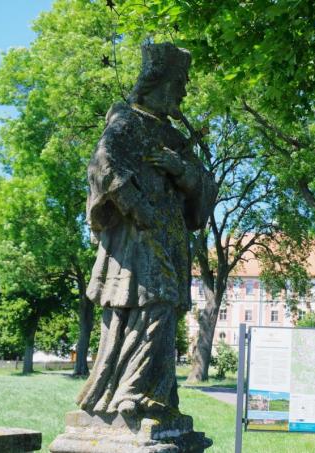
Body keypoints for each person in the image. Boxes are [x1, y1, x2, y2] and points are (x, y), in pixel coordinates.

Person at [76, 42, 216, 417]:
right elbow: (103, 167)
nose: (184, 91)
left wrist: (180, 169)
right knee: (151, 303)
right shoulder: (127, 121)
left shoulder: (171, 136)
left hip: (169, 239)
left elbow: (205, 189)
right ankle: (127, 393)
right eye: (180, 82)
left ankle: (154, 394)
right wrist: (137, 207)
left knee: (163, 307)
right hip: (135, 239)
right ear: (158, 81)